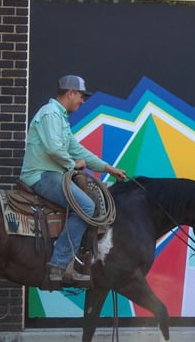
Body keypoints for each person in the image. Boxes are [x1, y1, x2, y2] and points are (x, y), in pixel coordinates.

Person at [20, 75, 127, 285]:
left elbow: (77, 149)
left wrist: (108, 168)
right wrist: (72, 164)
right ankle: (59, 264)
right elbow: (54, 149)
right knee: (86, 207)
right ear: (70, 93)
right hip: (41, 175)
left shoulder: (60, 118)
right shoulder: (50, 114)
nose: (82, 101)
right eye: (81, 96)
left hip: (52, 174)